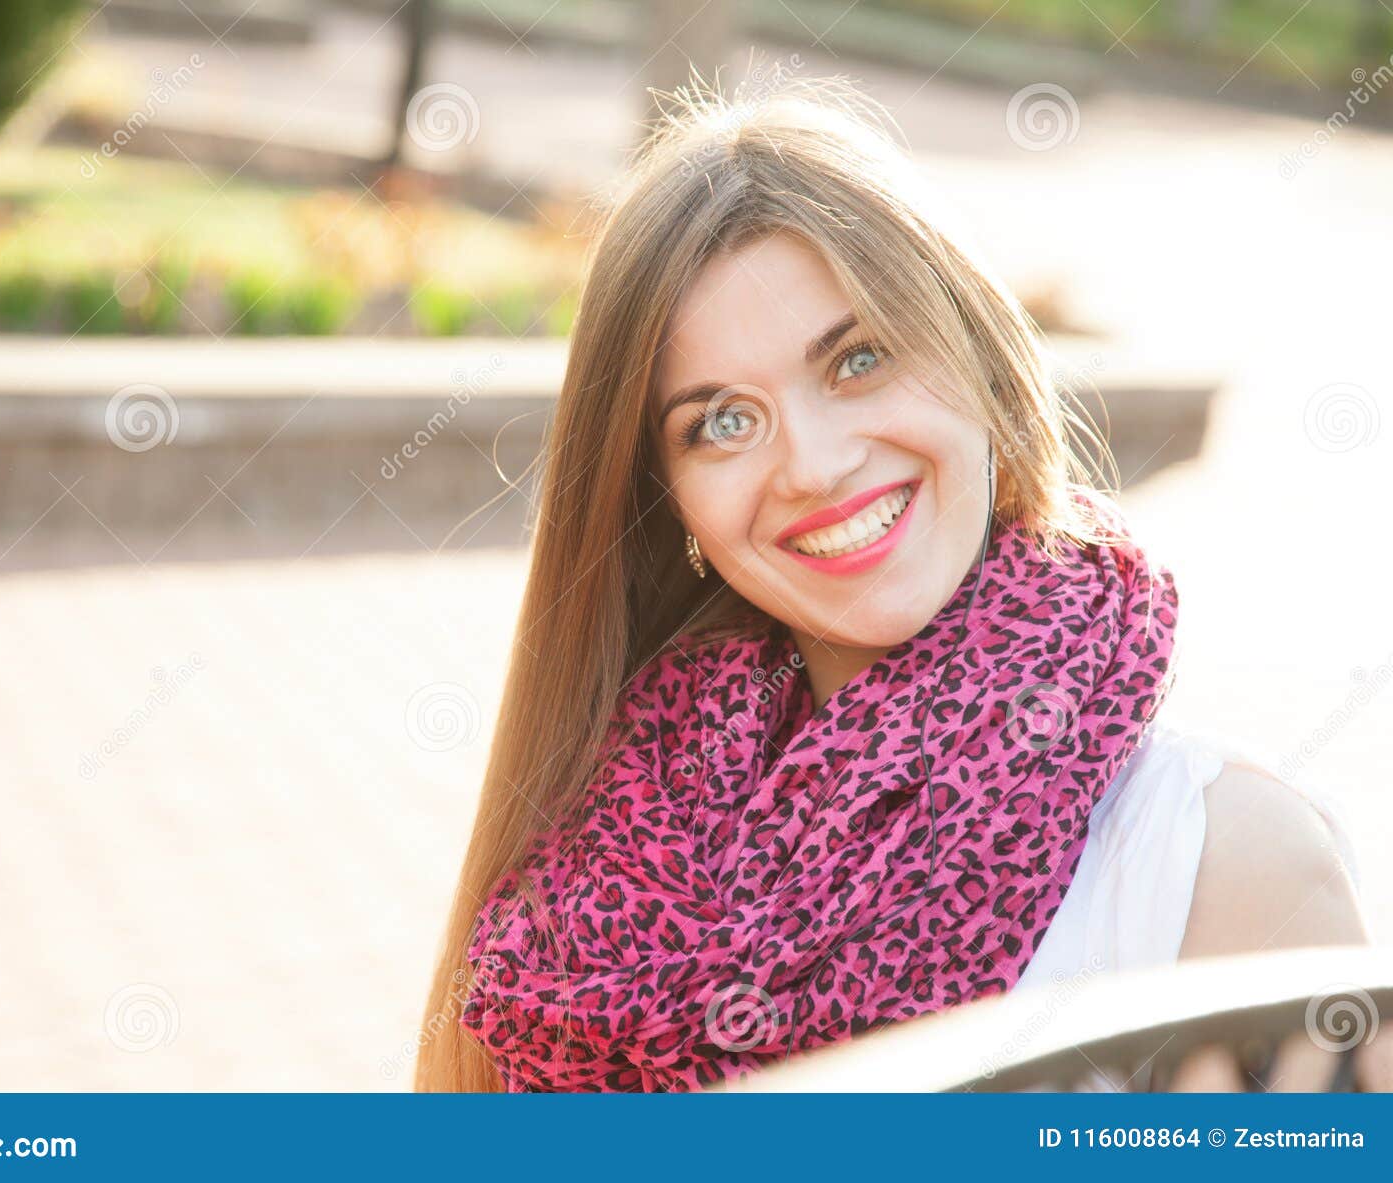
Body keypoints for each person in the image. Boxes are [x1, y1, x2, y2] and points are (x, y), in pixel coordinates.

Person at [414, 76, 1377, 1093]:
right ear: (669, 502)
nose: (815, 465)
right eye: (722, 421)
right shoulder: (583, 874)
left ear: (976, 355)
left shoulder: (1220, 864)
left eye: (859, 358)